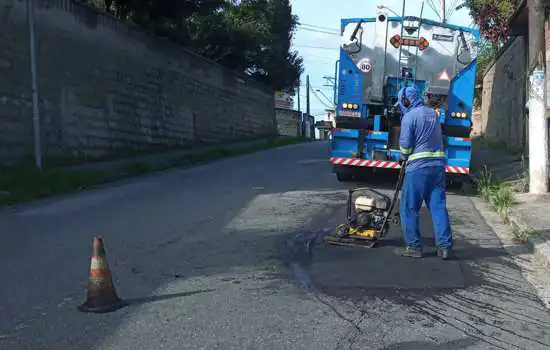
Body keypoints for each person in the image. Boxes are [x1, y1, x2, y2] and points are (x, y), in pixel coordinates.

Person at [394, 86, 453, 260]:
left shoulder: (409, 117)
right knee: (438, 207)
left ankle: (413, 247)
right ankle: (444, 248)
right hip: (438, 167)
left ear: (406, 101)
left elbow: (405, 145)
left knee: (409, 208)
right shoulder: (432, 114)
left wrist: (403, 156)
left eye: (401, 103)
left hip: (418, 168)